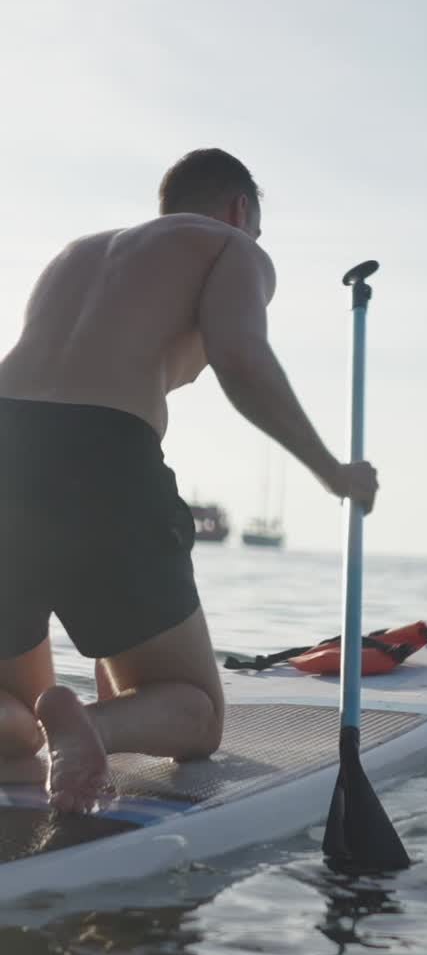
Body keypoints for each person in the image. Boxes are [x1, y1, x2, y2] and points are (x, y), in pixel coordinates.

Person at [0, 148, 379, 812]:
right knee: (198, 715)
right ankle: (93, 727)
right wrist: (333, 472)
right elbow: (241, 357)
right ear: (240, 211)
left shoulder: (74, 255)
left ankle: (57, 725)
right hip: (102, 458)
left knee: (20, 714)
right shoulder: (230, 246)